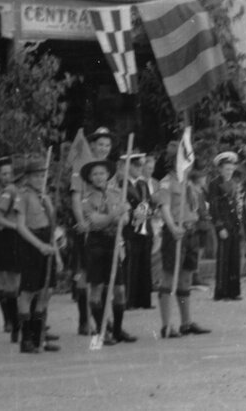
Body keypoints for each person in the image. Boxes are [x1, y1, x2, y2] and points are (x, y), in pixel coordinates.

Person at [155, 151, 211, 339]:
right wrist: (172, 228)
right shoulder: (166, 182)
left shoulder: (187, 182)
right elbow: (164, 208)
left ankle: (186, 322)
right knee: (169, 276)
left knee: (186, 277)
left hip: (191, 230)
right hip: (176, 233)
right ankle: (166, 325)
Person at [80, 158, 136, 344]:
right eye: (94, 174)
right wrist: (114, 215)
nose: (98, 177)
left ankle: (118, 330)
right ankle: (100, 332)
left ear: (107, 175)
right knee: (96, 288)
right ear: (90, 177)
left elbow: (126, 218)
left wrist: (121, 216)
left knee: (119, 290)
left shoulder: (116, 193)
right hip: (96, 244)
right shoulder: (87, 198)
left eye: (102, 173)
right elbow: (94, 222)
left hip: (113, 241)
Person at [69, 127, 114, 335]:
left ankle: (104, 319)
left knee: (105, 275)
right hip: (87, 225)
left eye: (107, 145)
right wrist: (81, 222)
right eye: (100, 144)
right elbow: (76, 197)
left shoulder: (110, 169)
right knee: (85, 274)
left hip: (107, 227)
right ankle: (84, 321)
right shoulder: (82, 166)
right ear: (92, 145)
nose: (104, 148)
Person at [15, 157, 61, 353]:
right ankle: (26, 339)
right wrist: (39, 245)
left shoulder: (46, 197)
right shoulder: (23, 196)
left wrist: (57, 255)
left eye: (42, 176)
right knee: (28, 292)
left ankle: (38, 337)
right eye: (35, 176)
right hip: (31, 243)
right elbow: (20, 226)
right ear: (27, 178)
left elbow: (52, 229)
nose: (40, 179)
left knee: (46, 292)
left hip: (47, 243)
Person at [0, 156, 23, 343]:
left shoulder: (18, 192)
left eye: (10, 173)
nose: (7, 177)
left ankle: (17, 319)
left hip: (15, 238)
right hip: (0, 237)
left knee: (16, 279)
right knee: (3, 279)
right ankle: (8, 319)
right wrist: (14, 225)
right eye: (3, 174)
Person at [121, 152, 155, 310]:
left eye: (141, 165)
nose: (140, 168)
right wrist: (132, 214)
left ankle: (143, 300)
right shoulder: (122, 185)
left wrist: (148, 212)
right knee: (131, 264)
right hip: (130, 229)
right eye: (136, 165)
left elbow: (149, 203)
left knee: (144, 263)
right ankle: (129, 300)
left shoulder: (142, 184)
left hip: (144, 227)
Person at [209, 152, 243, 301]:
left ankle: (233, 291)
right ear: (220, 169)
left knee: (234, 257)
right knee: (223, 258)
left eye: (231, 168)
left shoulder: (234, 183)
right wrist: (219, 227)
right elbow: (214, 207)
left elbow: (237, 204)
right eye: (226, 169)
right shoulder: (215, 184)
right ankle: (221, 291)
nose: (229, 171)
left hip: (234, 224)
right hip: (223, 224)